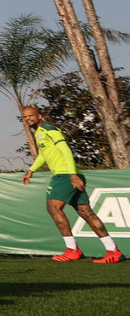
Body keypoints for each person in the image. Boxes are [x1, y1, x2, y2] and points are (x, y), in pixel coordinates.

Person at [22, 106, 123, 263]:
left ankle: (72, 250)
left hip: (65, 175)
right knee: (86, 213)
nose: (28, 118)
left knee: (53, 208)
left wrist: (72, 175)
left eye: (31, 115)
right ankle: (113, 251)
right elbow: (43, 154)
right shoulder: (39, 133)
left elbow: (66, 150)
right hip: (70, 175)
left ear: (39, 116)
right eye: (25, 117)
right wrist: (31, 171)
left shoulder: (49, 129)